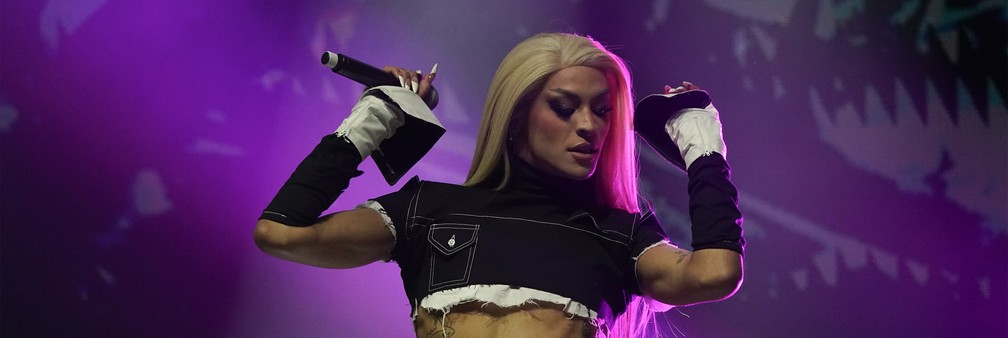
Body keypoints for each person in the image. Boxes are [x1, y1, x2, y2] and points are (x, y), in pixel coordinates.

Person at [255, 32, 744, 338]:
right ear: (515, 117)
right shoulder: (428, 209)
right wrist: (375, 118)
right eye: (563, 106)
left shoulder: (619, 233)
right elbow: (280, 233)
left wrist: (702, 146)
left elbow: (715, 273)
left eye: (602, 111)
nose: (590, 127)